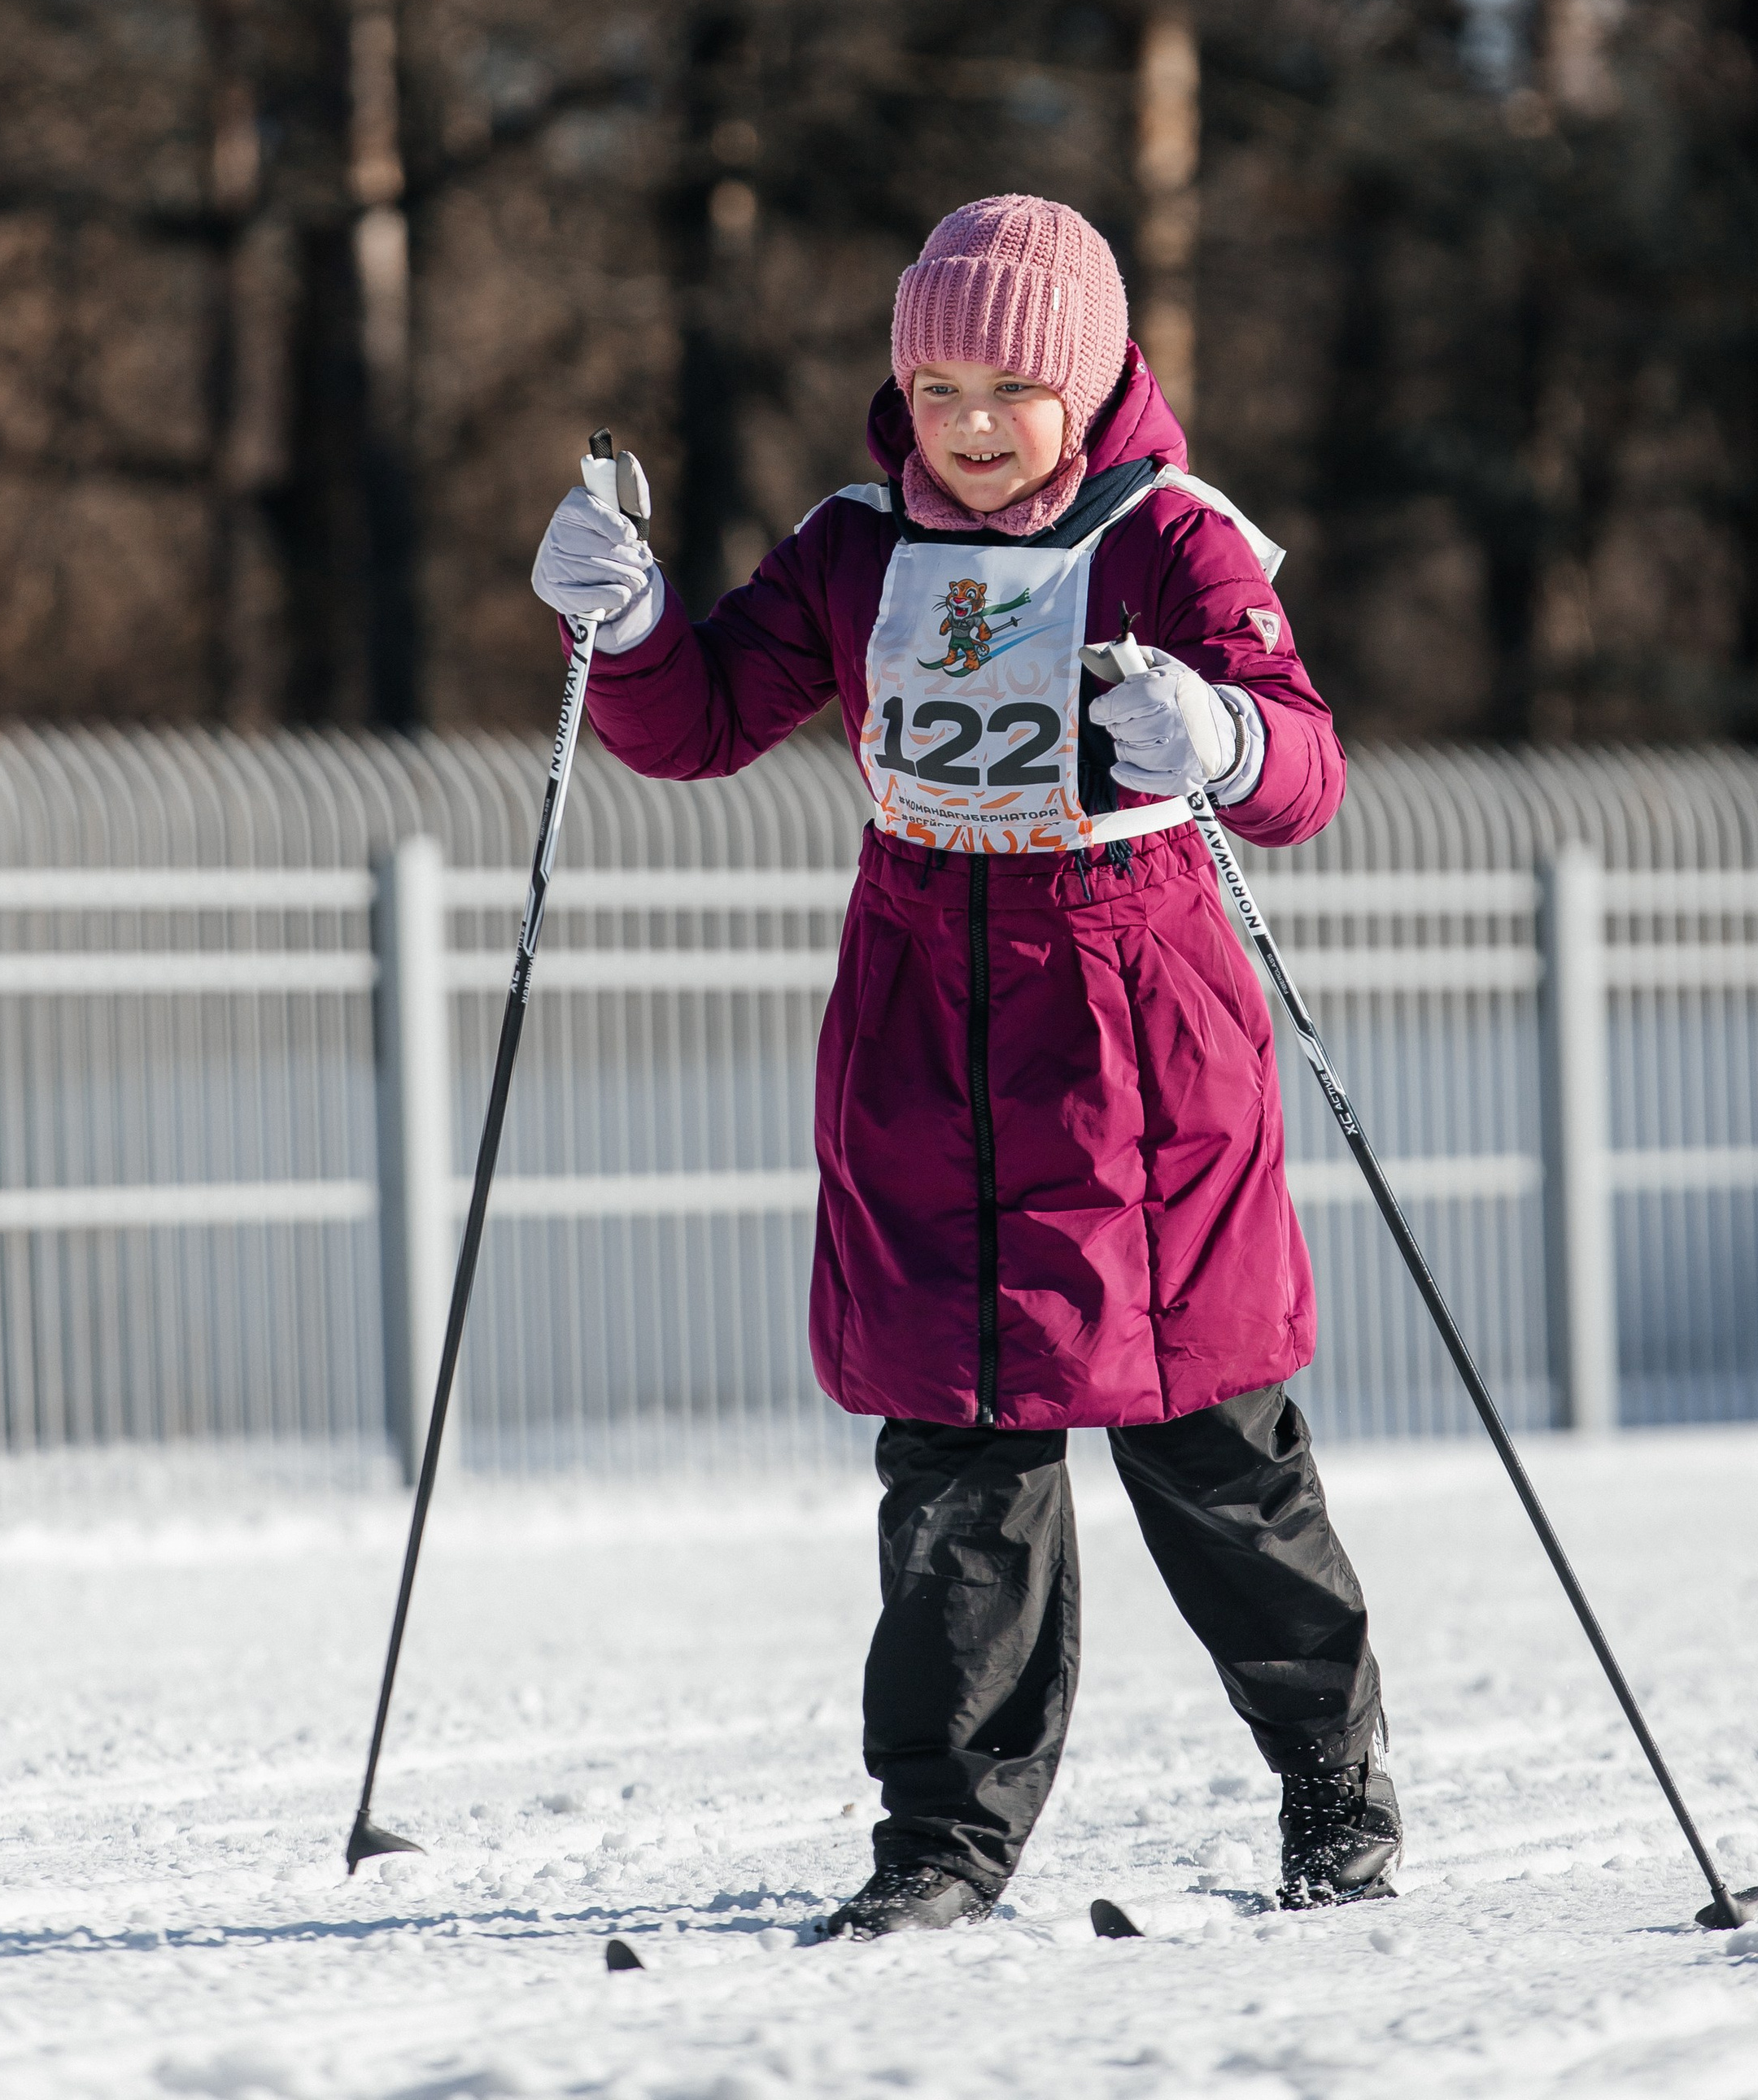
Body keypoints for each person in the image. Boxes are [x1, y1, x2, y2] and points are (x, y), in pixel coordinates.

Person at [531, 194, 1400, 1935]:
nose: (972, 422)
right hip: (920, 1020)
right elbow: (702, 724)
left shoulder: (1172, 538)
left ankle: (1331, 1788)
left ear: (1081, 384)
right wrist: (620, 632)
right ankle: (941, 1842)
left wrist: (1218, 734)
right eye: (935, 385)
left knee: (1208, 1443)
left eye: (1009, 384)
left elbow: (1301, 770)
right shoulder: (855, 550)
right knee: (951, 1456)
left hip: (1130, 1034)